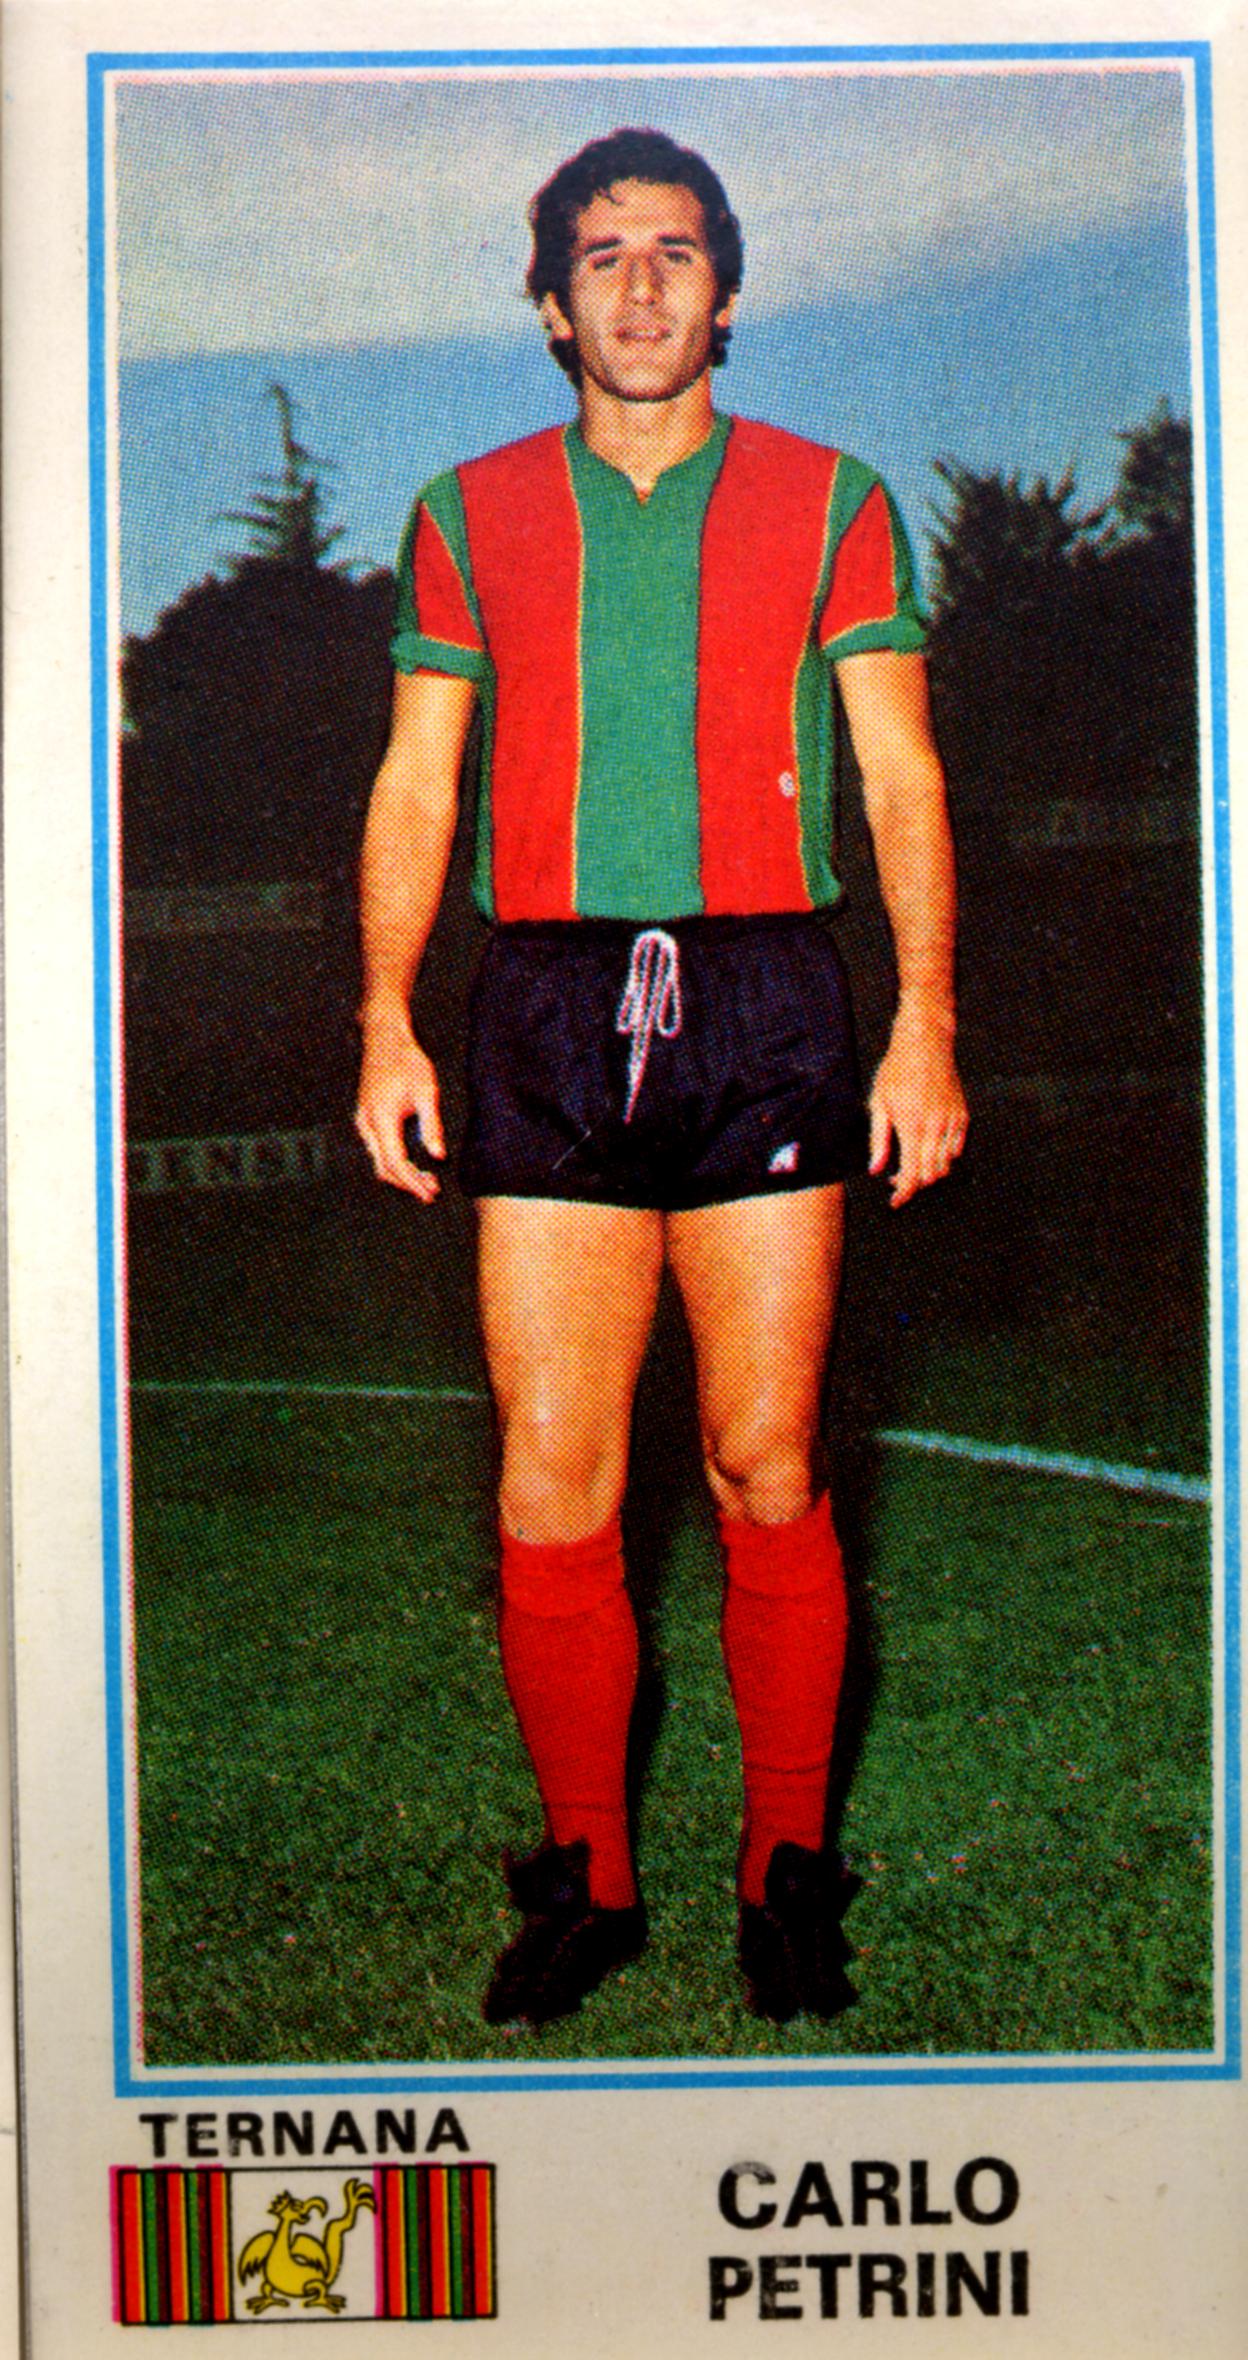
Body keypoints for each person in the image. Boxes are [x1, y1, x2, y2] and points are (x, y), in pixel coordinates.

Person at [354, 128, 967, 2031]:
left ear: (729, 292)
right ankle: (589, 1880)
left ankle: (788, 1869)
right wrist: (385, 1016)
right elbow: (418, 780)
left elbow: (899, 777)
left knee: (764, 1459)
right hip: (543, 1006)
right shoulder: (466, 513)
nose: (639, 286)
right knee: (554, 1478)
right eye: (601, 256)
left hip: (767, 997)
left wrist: (925, 1023)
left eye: (676, 253)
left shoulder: (832, 498)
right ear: (550, 304)